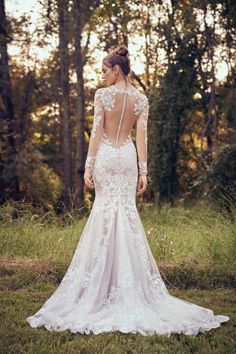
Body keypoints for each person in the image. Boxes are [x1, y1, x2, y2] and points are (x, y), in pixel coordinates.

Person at [27, 45, 229, 336]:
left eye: (104, 70)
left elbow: (97, 132)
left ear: (116, 70)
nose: (102, 76)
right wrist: (143, 171)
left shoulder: (102, 96)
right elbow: (142, 137)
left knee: (105, 213)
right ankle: (127, 283)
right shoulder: (140, 99)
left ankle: (103, 282)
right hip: (128, 159)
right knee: (126, 214)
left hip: (108, 158)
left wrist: (89, 165)